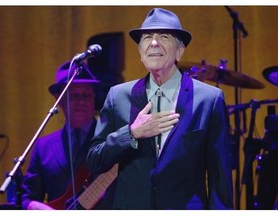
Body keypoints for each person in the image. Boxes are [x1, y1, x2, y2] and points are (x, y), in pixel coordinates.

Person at [86, 8, 234, 210]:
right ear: (140, 51)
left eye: (163, 36)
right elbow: (95, 159)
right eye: (147, 37)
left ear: (179, 51)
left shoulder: (209, 100)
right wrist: (131, 134)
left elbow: (220, 176)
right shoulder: (117, 96)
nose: (154, 43)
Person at [21, 61, 114, 210]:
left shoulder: (111, 141)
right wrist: (37, 208)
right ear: (59, 100)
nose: (81, 101)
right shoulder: (43, 147)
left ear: (94, 98)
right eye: (74, 95)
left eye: (86, 95)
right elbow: (28, 199)